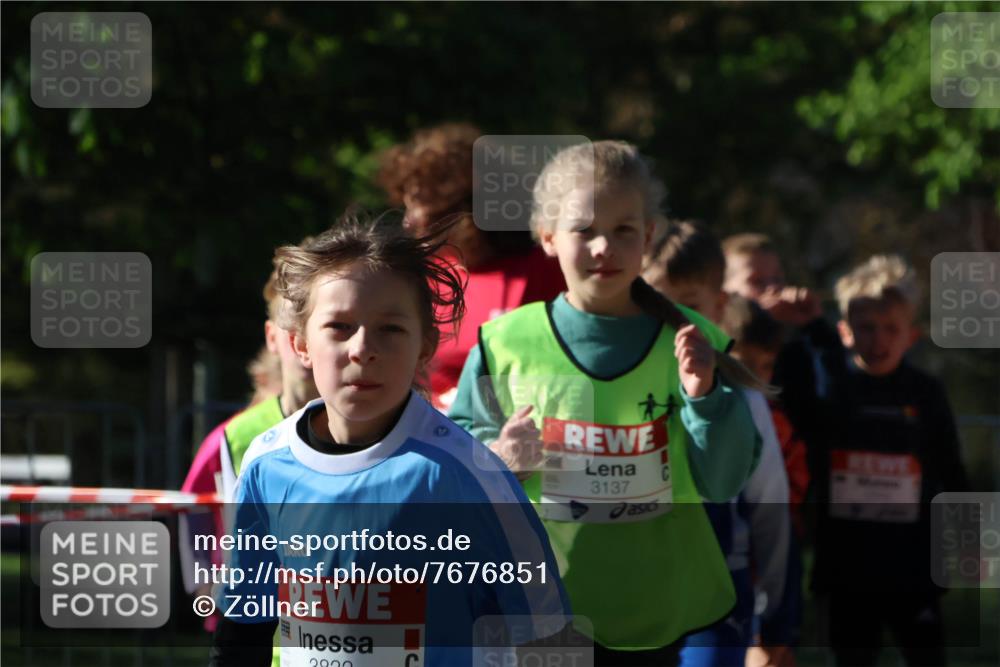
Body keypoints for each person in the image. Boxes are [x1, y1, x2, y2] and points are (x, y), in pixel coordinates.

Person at [449, 141, 763, 666]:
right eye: (584, 230)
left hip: (661, 613)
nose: (604, 247)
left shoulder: (694, 343)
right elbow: (456, 476)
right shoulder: (502, 344)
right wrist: (499, 459)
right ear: (547, 238)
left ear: (648, 236)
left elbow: (725, 480)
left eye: (623, 230)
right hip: (543, 609)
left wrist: (703, 397)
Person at [209, 215, 571, 667]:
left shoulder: (467, 475)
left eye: (390, 329)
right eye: (339, 327)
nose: (363, 348)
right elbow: (243, 628)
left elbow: (545, 632)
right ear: (301, 344)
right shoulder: (265, 463)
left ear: (425, 345)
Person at [643, 221, 796, 667]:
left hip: (715, 600)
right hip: (629, 594)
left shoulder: (743, 394)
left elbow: (771, 509)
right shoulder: (607, 383)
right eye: (656, 304)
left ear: (719, 306)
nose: (671, 323)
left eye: (688, 306)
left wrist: (777, 619)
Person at [810, 255, 970, 667]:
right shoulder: (831, 388)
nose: (878, 339)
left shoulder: (926, 392)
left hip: (913, 568)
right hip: (848, 568)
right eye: (866, 328)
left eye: (890, 329)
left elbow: (951, 468)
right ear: (845, 331)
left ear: (910, 335)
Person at [378, 123, 565, 409]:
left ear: (463, 209)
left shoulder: (543, 269)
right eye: (406, 205)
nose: (408, 222)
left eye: (420, 205)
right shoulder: (415, 274)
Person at [721, 233, 841, 480]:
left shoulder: (794, 352)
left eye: (777, 279)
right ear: (723, 292)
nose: (773, 289)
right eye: (757, 282)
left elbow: (831, 407)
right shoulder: (714, 350)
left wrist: (815, 325)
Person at [218, 266, 319, 501]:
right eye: (292, 330)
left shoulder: (369, 424)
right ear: (272, 337)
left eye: (316, 327)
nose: (304, 342)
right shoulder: (238, 435)